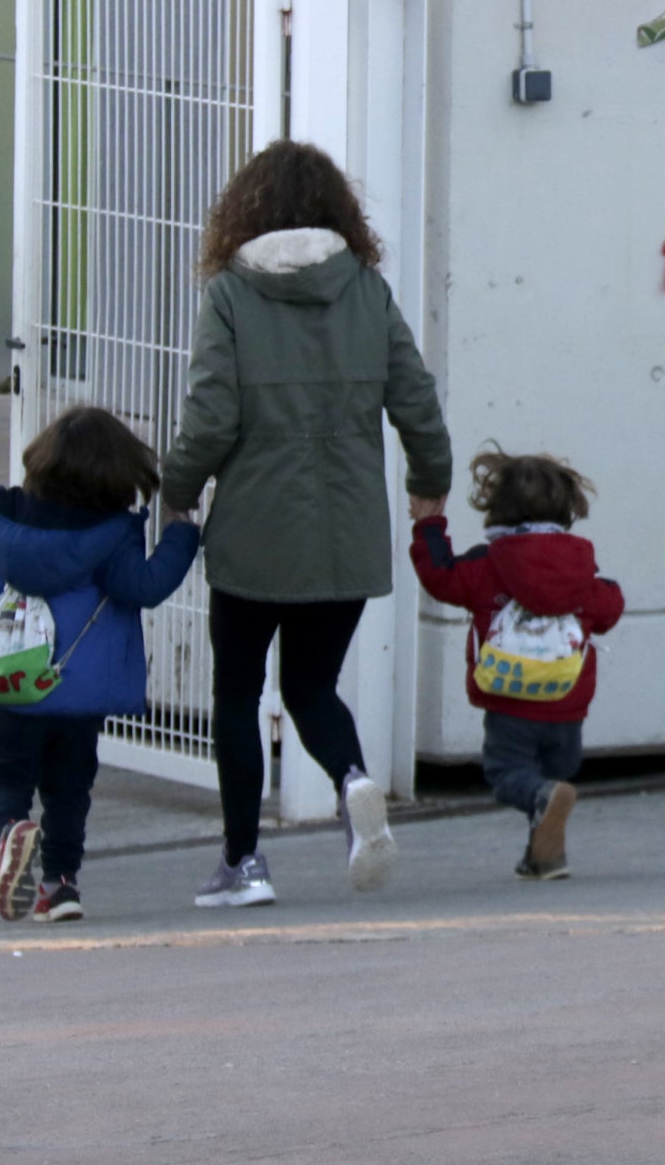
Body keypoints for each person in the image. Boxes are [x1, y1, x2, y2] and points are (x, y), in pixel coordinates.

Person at [162, 140, 453, 908]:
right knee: (312, 684)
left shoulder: (229, 295)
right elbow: (418, 405)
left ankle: (243, 862)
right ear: (337, 209)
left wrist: (178, 490)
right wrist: (431, 487)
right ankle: (354, 780)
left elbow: (210, 418)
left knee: (236, 693)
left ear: (244, 209)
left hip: (255, 532)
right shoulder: (366, 290)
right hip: (348, 526)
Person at [0, 406, 200, 924]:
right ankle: (61, 886)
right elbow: (145, 587)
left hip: (9, 680)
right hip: (79, 695)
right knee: (70, 788)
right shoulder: (114, 535)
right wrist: (181, 532)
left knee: (3, 779)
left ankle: (8, 832)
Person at [411, 447, 625, 880]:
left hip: (509, 699)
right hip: (566, 703)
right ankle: (544, 857)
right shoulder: (581, 568)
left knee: (510, 775)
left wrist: (428, 524)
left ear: (497, 508)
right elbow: (608, 611)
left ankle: (544, 808)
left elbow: (441, 576)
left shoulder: (487, 564)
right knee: (550, 782)